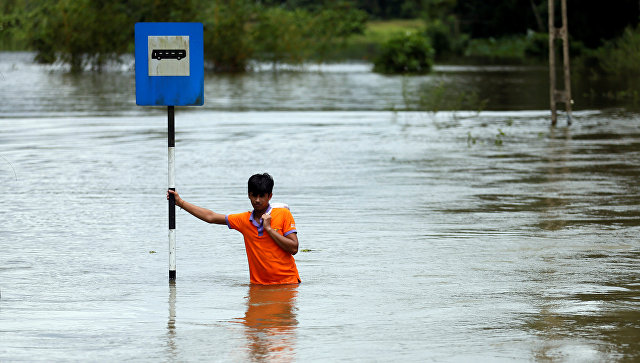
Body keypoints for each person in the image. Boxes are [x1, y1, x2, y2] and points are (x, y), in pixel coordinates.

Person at [167, 173, 300, 285]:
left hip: (288, 284)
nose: (257, 200)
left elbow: (294, 248)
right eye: (254, 195)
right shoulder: (243, 220)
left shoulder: (283, 214)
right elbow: (211, 217)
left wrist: (269, 229)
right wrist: (181, 203)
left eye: (262, 196)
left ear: (269, 196)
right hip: (259, 286)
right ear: (249, 195)